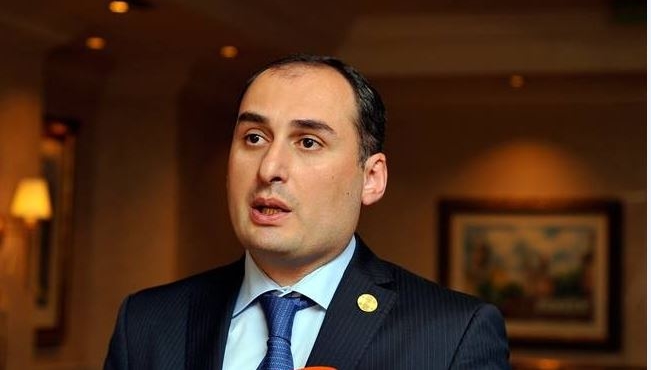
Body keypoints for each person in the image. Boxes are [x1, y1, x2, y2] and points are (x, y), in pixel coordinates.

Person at [104, 54, 510, 370]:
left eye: (308, 142)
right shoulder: (146, 323)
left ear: (371, 178)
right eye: (254, 137)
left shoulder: (452, 336)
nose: (269, 168)